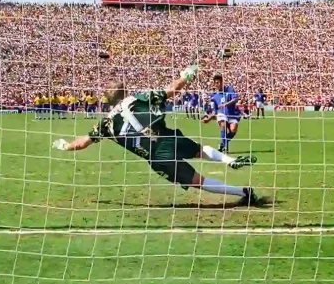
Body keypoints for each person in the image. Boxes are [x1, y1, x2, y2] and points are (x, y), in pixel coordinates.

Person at [52, 64, 263, 206]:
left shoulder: (106, 123)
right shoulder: (137, 98)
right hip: (166, 136)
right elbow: (171, 90)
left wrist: (66, 145)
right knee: (200, 150)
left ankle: (243, 192)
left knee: (197, 180)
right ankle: (229, 160)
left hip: (156, 155)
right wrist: (186, 75)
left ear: (107, 99)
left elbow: (83, 143)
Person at [203, 74, 248, 156]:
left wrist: (225, 104)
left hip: (232, 113)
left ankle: (223, 144)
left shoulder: (229, 89)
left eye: (218, 82)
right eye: (216, 83)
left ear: (222, 82)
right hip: (221, 114)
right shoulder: (214, 96)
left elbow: (236, 99)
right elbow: (214, 111)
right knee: (223, 124)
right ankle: (225, 148)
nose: (217, 84)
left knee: (233, 129)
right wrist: (208, 119)